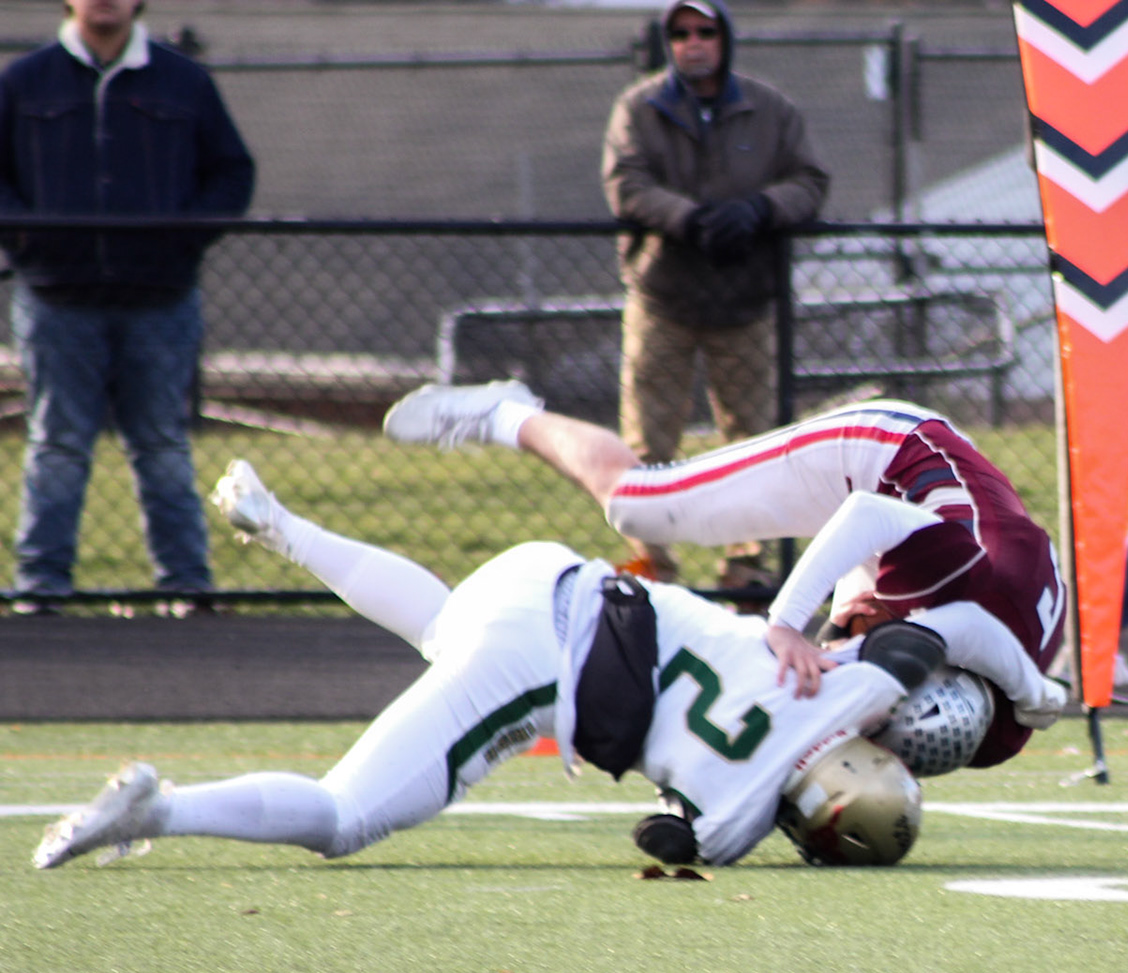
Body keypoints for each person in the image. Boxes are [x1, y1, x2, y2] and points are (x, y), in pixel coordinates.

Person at [33, 461, 929, 873]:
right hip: (538, 663)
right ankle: (161, 810)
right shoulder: (736, 818)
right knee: (343, 818)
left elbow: (917, 646)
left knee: (444, 626)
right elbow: (664, 839)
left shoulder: (844, 682)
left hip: (553, 574)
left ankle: (283, 527)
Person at [382, 386, 1068, 767]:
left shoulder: (995, 731)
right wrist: (785, 624)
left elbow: (973, 652)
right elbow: (866, 517)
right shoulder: (961, 579)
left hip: (929, 544)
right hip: (884, 457)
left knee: (823, 681)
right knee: (639, 503)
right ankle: (507, 413)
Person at [1, 0, 254, 615]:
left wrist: (182, 238)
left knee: (162, 445)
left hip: (160, 300)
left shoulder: (183, 80)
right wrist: (30, 238)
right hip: (58, 299)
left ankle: (185, 588)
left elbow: (230, 172)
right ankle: (41, 590)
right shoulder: (25, 81)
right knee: (58, 446)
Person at [602, 0, 828, 591]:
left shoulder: (771, 109)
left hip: (747, 301)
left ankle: (746, 572)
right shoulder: (639, 108)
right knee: (647, 442)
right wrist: (690, 220)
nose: (693, 42)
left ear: (725, 38)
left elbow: (809, 181)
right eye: (680, 33)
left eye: (705, 31)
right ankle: (654, 573)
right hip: (662, 296)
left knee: (755, 442)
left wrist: (759, 210)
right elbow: (627, 183)